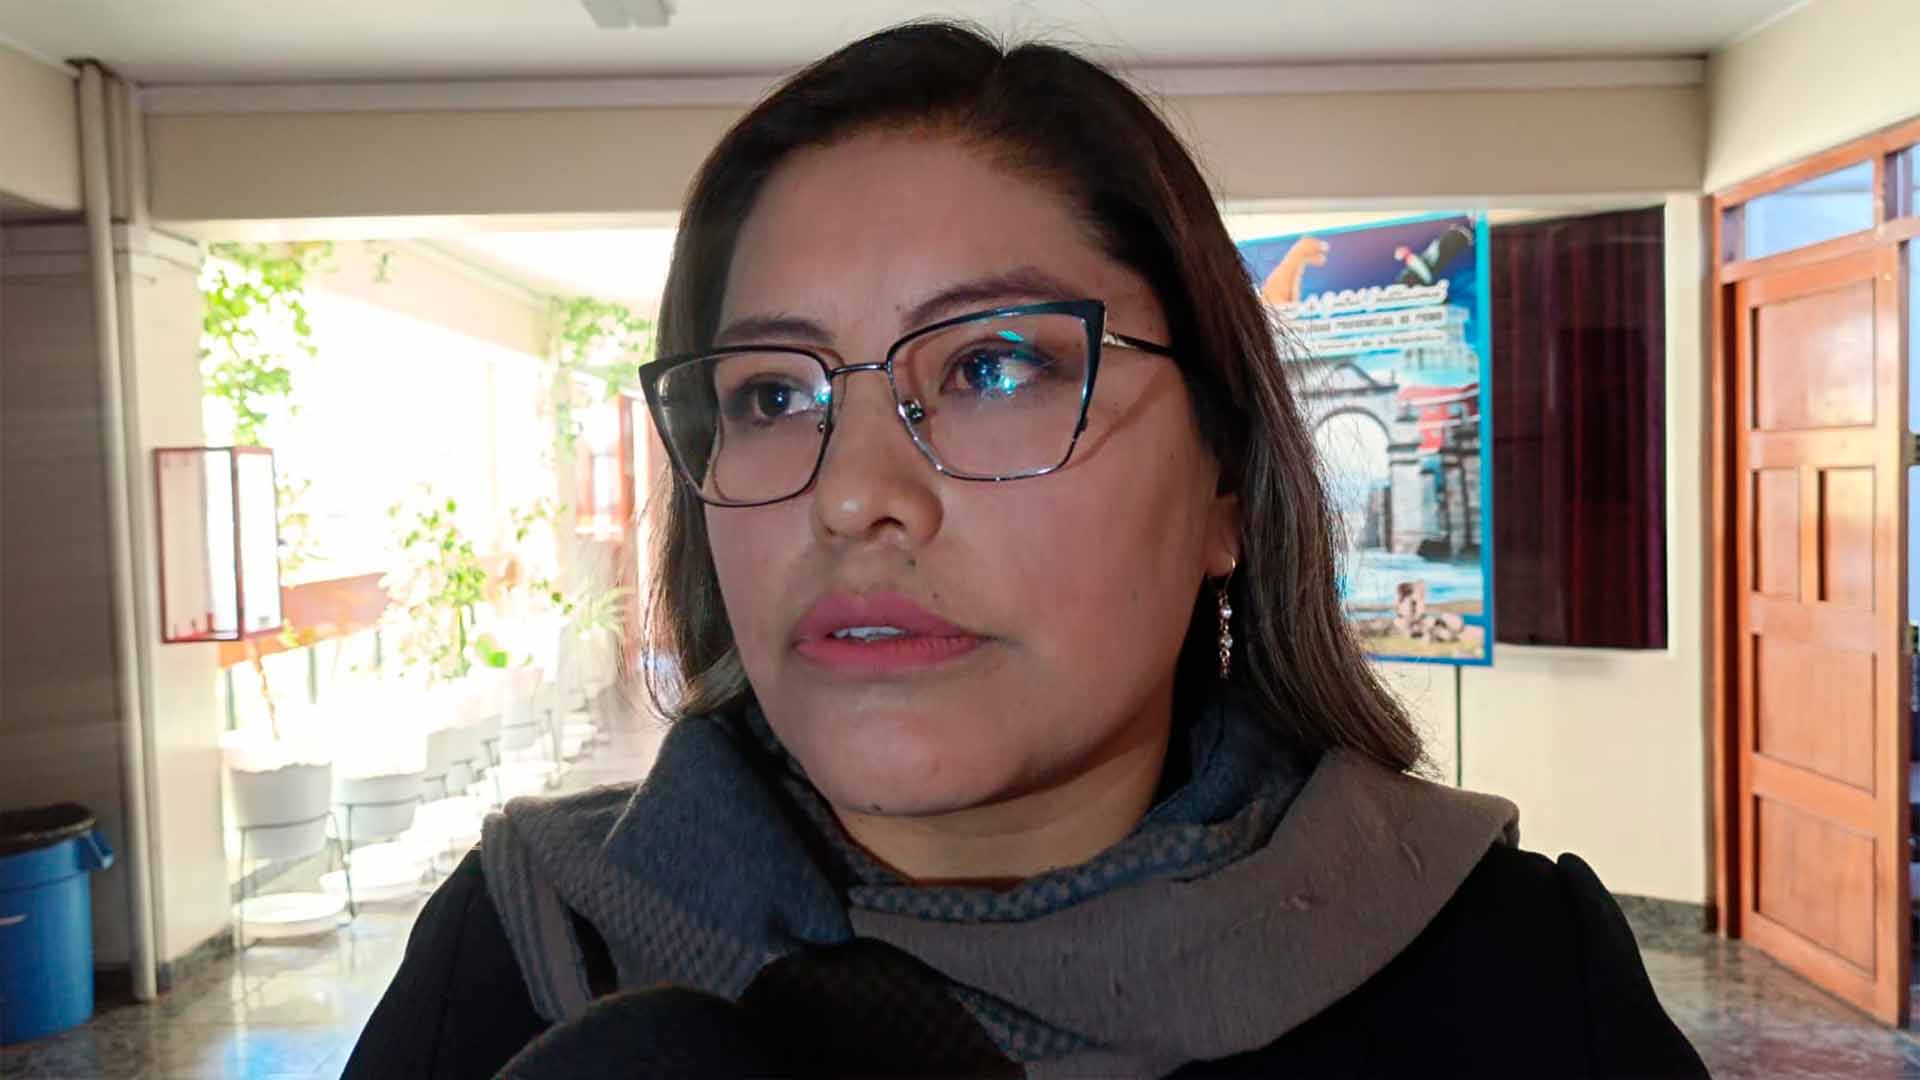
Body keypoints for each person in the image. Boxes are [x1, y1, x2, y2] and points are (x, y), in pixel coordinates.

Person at [343, 21, 1707, 1079]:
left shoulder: (1517, 981)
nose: (853, 497)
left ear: (1226, 482)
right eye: (770, 393)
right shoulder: (520, 954)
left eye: (996, 365)